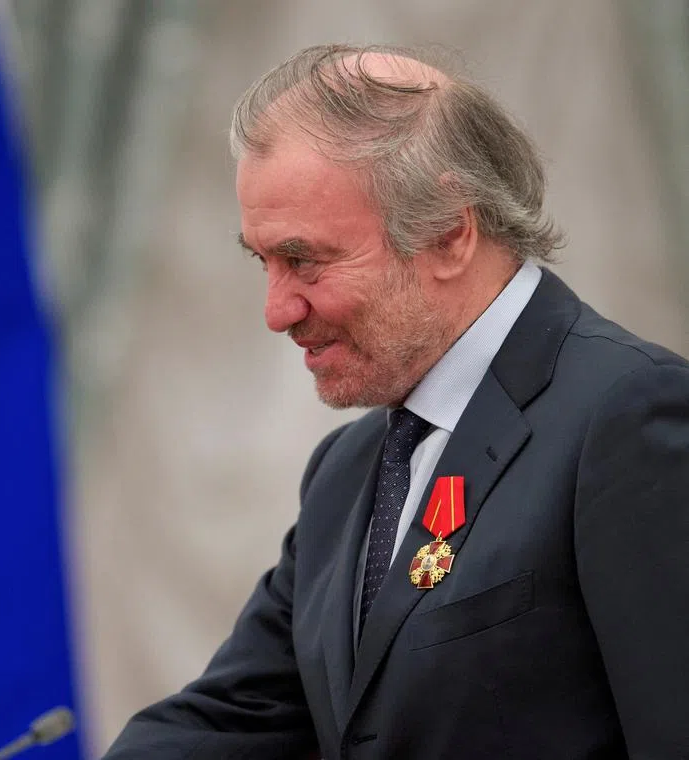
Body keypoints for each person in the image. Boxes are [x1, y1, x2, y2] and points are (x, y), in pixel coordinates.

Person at [104, 44, 689, 759]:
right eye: (264, 262)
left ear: (449, 233)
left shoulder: (628, 415)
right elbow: (234, 722)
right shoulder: (347, 470)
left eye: (303, 260)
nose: (276, 310)